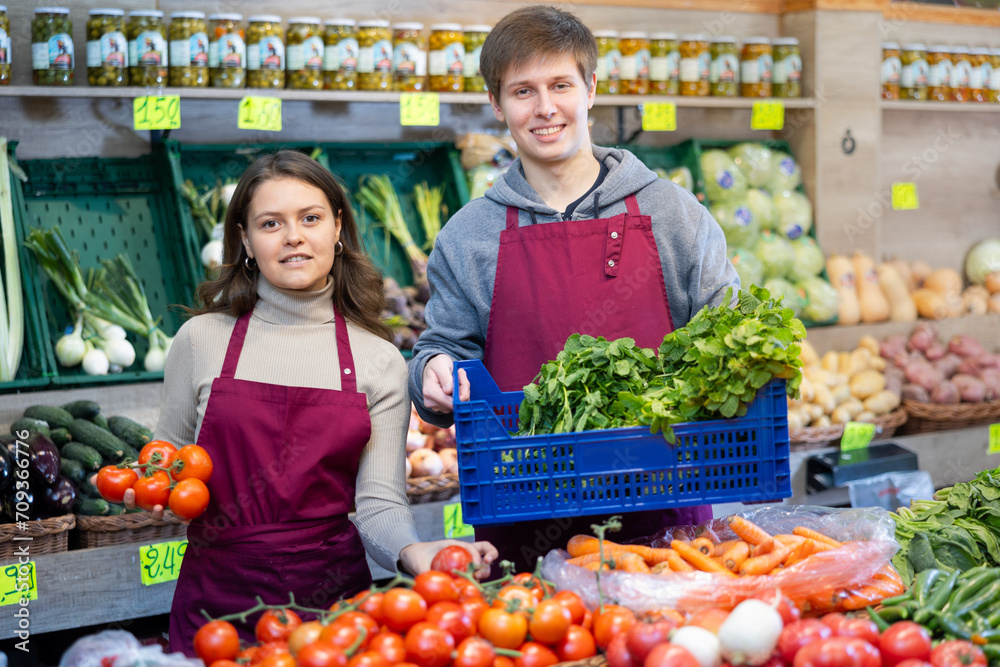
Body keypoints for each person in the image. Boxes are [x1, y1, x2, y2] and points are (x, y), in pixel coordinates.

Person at [408, 6, 740, 572]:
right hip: (522, 525)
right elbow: (444, 348)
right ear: (496, 105)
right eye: (522, 91)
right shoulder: (469, 236)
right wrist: (432, 372)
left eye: (560, 84)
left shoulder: (673, 214)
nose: (544, 108)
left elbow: (726, 329)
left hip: (669, 529)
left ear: (590, 88)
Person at [143, 151, 496, 655]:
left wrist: (416, 551)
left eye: (310, 218)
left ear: (337, 228)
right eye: (271, 223)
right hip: (217, 608)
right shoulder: (200, 340)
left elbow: (378, 506)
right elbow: (168, 467)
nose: (293, 237)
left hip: (333, 613)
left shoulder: (379, 360)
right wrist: (146, 491)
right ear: (245, 238)